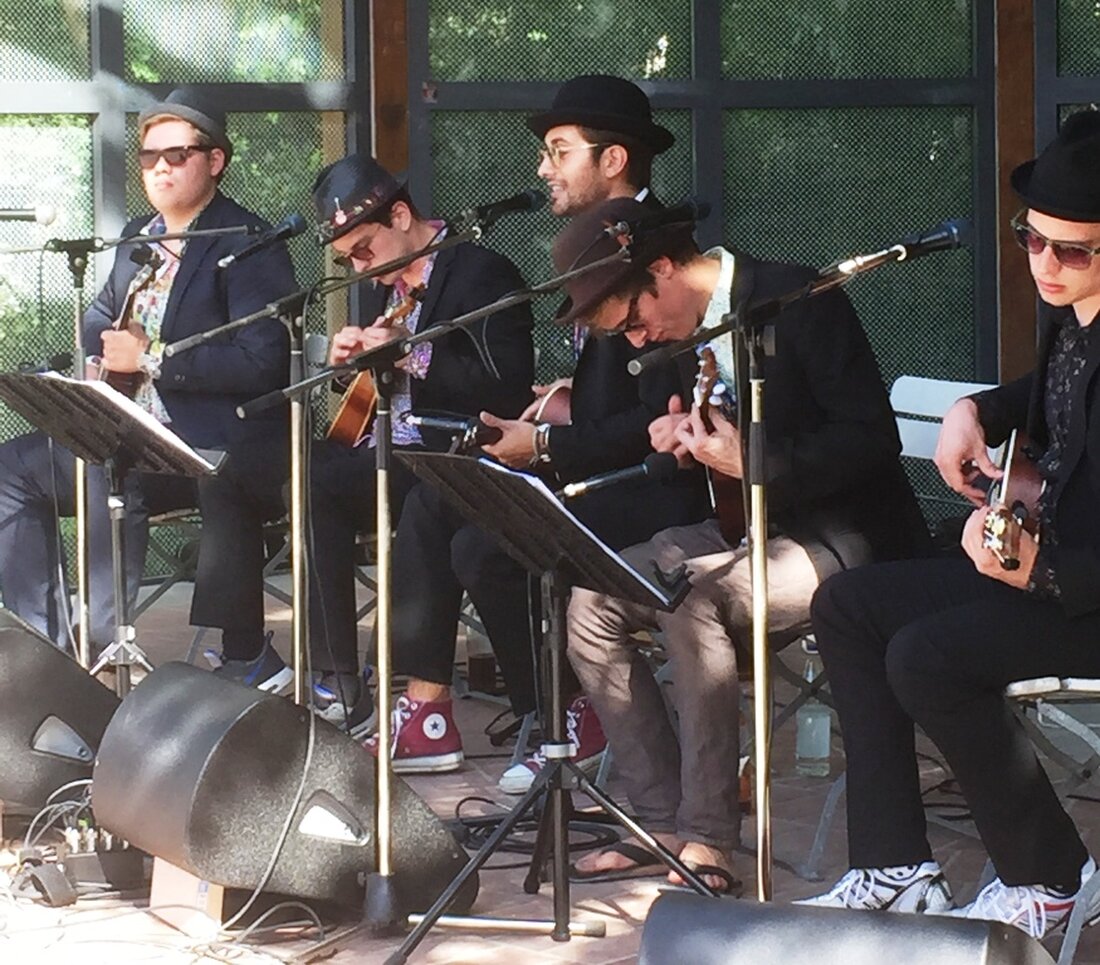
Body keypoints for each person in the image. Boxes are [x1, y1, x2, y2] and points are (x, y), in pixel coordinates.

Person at [554, 197, 929, 891]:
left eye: (635, 320)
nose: (638, 342)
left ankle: (708, 838)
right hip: (742, 531)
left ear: (664, 269)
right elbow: (701, 447)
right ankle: (662, 822)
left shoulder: (798, 298)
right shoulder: (674, 333)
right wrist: (676, 443)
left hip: (843, 536)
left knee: (686, 595)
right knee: (591, 596)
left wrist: (755, 460)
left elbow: (874, 440)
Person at [798, 111, 1100, 938]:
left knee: (926, 656)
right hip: (1052, 573)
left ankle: (1052, 874)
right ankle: (893, 865)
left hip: (1083, 595)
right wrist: (974, 406)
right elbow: (1050, 389)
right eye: (1030, 239)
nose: (1044, 262)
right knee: (848, 607)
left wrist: (1037, 572)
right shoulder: (1077, 310)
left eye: (1071, 250)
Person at [0, 86, 295, 689]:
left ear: (215, 160)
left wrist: (153, 359)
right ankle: (53, 649)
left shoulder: (244, 242)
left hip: (206, 445)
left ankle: (105, 642)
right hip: (126, 428)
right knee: (11, 470)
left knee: (109, 472)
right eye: (148, 156)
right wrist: (97, 358)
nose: (159, 167)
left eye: (177, 155)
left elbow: (262, 361)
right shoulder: (139, 233)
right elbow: (101, 315)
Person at [478, 74, 711, 794]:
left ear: (613, 161)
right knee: (457, 514)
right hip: (612, 463)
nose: (544, 169)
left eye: (558, 151)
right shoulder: (592, 248)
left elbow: (658, 416)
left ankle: (567, 720)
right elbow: (618, 389)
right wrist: (554, 410)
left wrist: (547, 448)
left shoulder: (662, 259)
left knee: (496, 544)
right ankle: (552, 716)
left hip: (668, 490)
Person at [305, 155, 535, 768]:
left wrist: (409, 356)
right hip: (397, 445)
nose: (360, 269)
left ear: (401, 215)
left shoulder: (481, 273)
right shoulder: (394, 285)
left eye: (363, 250)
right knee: (309, 479)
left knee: (416, 504)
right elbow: (378, 394)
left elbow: (506, 385)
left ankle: (421, 704)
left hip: (460, 449)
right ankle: (336, 676)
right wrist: (354, 364)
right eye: (348, 259)